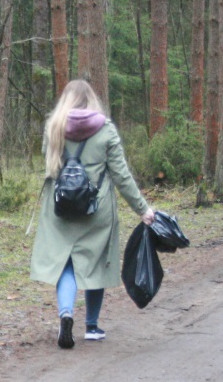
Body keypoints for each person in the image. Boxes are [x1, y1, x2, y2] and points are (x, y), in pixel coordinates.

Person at [30, 80, 155, 349]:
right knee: (95, 262)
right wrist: (142, 209)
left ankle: (66, 314)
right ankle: (92, 326)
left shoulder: (53, 126)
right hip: (95, 209)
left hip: (59, 209)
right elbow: (121, 175)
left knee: (66, 264)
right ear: (92, 100)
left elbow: (48, 163)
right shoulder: (105, 129)